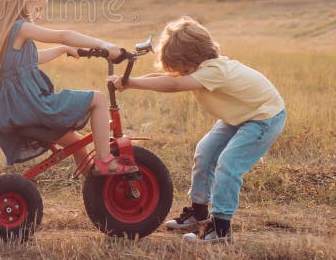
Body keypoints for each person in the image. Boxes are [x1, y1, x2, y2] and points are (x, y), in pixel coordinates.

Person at [108, 16, 285, 243]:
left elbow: (174, 84)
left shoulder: (214, 70)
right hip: (239, 115)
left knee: (228, 165)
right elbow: (167, 78)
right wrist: (128, 80)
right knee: (205, 152)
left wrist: (131, 82)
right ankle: (199, 212)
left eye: (183, 70)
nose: (181, 74)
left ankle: (221, 229)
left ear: (195, 57)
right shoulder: (199, 68)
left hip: (264, 117)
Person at [0, 0, 133, 175]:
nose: (38, 16)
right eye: (37, 8)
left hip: (18, 110)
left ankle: (96, 187)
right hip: (33, 106)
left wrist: (62, 50)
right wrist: (105, 45)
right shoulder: (20, 27)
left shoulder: (3, 31)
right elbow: (64, 35)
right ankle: (105, 160)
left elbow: (29, 60)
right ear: (23, 0)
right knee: (98, 99)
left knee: (76, 142)